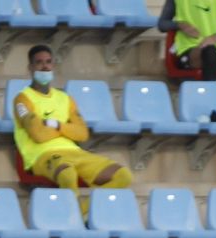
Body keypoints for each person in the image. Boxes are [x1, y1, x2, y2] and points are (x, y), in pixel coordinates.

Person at [12, 44, 133, 192]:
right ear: (30, 67)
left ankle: (84, 208)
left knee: (123, 176)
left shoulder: (65, 98)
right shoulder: (23, 99)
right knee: (68, 175)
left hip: (74, 153)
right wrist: (67, 129)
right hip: (43, 156)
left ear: (53, 65)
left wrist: (55, 124)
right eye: (39, 62)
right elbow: (38, 135)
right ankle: (76, 213)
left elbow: (82, 134)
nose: (45, 66)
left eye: (48, 62)